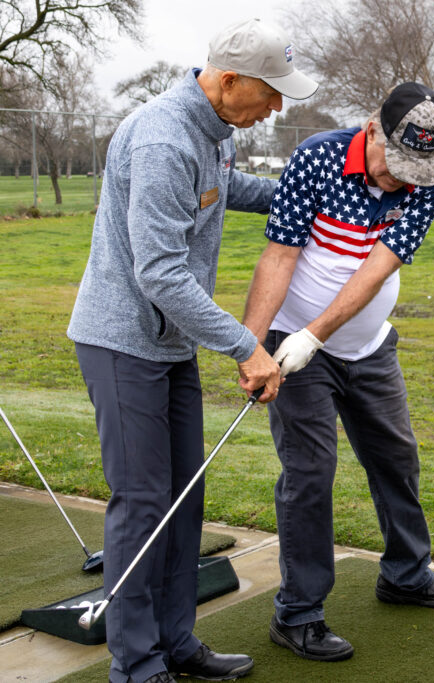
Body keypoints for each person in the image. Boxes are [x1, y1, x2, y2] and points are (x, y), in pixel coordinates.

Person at [67, 18, 318, 683]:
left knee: (183, 498)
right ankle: (137, 664)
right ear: (230, 79)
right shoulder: (162, 138)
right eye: (270, 92)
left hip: (168, 344)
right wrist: (246, 345)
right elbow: (161, 273)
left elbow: (226, 192)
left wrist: (303, 202)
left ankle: (177, 642)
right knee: (144, 502)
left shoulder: (216, 133)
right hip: (121, 342)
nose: (278, 107)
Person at [241, 82, 434, 662]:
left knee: (396, 456)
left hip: (365, 346)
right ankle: (298, 614)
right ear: (371, 129)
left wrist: (319, 337)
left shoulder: (429, 182)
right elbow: (280, 254)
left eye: (414, 169)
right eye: (394, 163)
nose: (401, 179)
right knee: (311, 471)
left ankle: (406, 575)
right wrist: (254, 349)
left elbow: (376, 269)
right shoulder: (317, 157)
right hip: (290, 343)